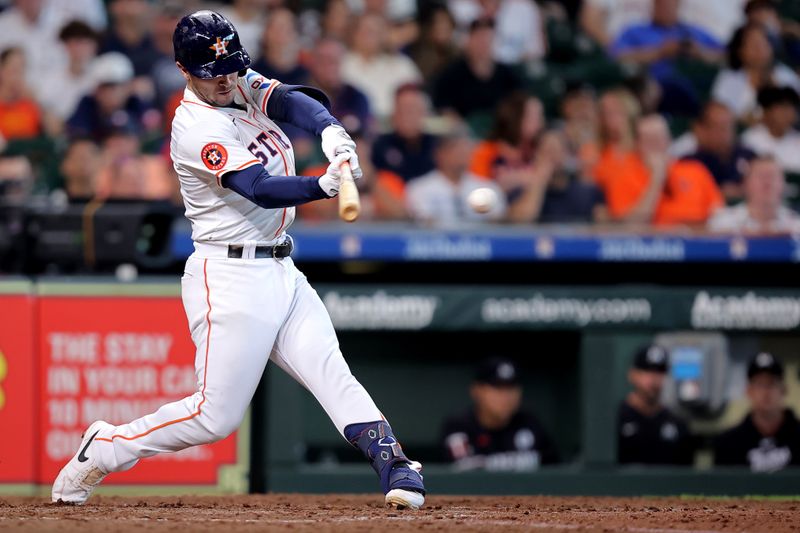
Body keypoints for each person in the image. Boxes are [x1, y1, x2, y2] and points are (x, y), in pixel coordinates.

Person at [51, 10, 426, 511]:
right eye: (214, 73)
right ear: (185, 71)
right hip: (228, 275)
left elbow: (292, 100)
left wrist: (332, 130)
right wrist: (321, 185)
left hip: (280, 267)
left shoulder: (232, 79)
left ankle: (394, 464)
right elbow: (259, 188)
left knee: (329, 369)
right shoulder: (193, 126)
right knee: (214, 418)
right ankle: (107, 447)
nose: (227, 79)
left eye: (231, 67)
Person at [596, 114, 723, 226]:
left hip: (698, 243)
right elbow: (632, 226)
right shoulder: (623, 177)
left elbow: (718, 215)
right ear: (637, 145)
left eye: (659, 139)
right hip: (648, 248)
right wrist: (656, 178)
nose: (655, 146)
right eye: (649, 141)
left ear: (669, 141)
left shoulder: (695, 170)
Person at [441, 357, 559, 471]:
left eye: (511, 387)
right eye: (497, 387)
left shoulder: (531, 424)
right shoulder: (459, 427)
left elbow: (555, 470)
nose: (506, 396)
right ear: (477, 391)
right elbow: (461, 477)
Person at [611, 0, 724, 115]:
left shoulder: (693, 32)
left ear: (678, 4)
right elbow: (616, 56)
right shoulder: (635, 31)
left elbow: (725, 55)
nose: (665, 7)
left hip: (693, 92)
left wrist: (701, 52)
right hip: (651, 89)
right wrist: (659, 52)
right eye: (661, 3)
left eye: (670, 3)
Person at [714, 352, 800, 472]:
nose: (766, 392)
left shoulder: (797, 435)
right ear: (748, 391)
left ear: (784, 390)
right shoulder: (729, 443)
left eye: (771, 384)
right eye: (759, 384)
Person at [406, 130, 506, 227]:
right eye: (456, 149)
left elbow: (497, 224)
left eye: (466, 149)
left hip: (479, 243)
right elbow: (423, 224)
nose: (462, 154)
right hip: (437, 243)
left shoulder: (487, 187)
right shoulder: (419, 188)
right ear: (440, 154)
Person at [506, 130, 607, 224]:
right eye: (547, 152)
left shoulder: (588, 192)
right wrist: (540, 181)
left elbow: (605, 228)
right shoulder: (522, 192)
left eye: (556, 150)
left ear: (567, 154)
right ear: (536, 156)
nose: (552, 157)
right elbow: (520, 223)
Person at [618, 344, 694, 465]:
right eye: (647, 371)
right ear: (633, 375)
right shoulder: (616, 420)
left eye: (659, 372)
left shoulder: (677, 423)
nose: (653, 379)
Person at [432, 17, 522, 120]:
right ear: (469, 41)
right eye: (479, 39)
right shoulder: (451, 74)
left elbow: (519, 102)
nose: (483, 45)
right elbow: (443, 107)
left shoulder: (507, 74)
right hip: (462, 132)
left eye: (487, 40)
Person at [711, 23, 800, 123]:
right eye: (753, 44)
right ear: (740, 51)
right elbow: (721, 118)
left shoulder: (785, 75)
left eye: (763, 43)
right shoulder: (729, 79)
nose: (760, 49)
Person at [341, 12, 422, 120]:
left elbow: (418, 97)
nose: (371, 36)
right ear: (354, 34)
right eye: (366, 31)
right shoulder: (342, 63)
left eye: (376, 32)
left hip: (396, 127)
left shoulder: (402, 64)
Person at [683, 102, 756, 201]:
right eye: (719, 126)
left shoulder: (749, 156)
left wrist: (743, 191)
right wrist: (718, 192)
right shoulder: (690, 163)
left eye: (729, 125)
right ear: (702, 129)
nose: (725, 132)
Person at [708, 155, 800, 234]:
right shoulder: (722, 223)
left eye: (772, 176)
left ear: (783, 184)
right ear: (745, 183)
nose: (767, 182)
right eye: (761, 176)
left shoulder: (796, 226)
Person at [371, 84, 437, 182]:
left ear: (424, 113)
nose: (406, 116)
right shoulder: (378, 147)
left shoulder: (437, 148)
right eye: (401, 109)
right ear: (393, 114)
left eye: (411, 110)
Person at [741, 86, 800, 173]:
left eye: (791, 108)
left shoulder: (797, 140)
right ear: (767, 111)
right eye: (782, 107)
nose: (787, 113)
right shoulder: (750, 138)